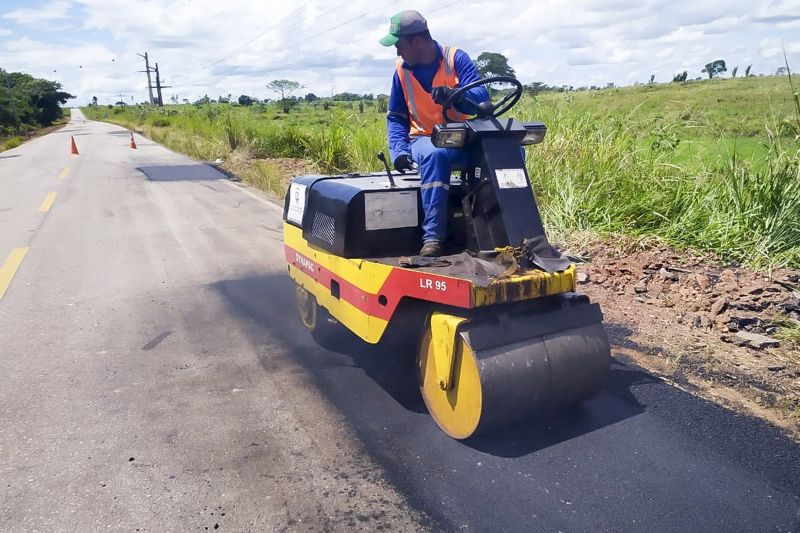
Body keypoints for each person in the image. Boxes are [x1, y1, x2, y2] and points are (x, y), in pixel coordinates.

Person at [379, 10, 489, 257]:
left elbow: (481, 98)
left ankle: (501, 227)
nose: (397, 51)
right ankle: (433, 237)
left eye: (399, 45)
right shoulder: (401, 71)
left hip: (463, 138)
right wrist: (399, 151)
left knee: (507, 151)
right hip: (425, 138)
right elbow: (396, 117)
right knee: (435, 154)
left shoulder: (456, 58)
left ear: (416, 41)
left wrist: (455, 95)